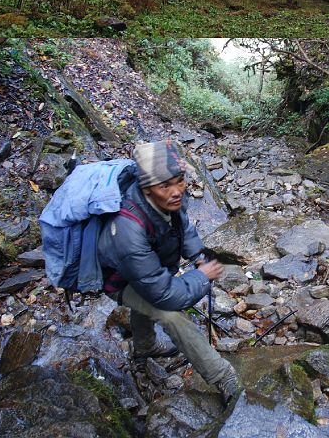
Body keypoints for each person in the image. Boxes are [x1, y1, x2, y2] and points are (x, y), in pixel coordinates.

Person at [96, 139, 241, 406]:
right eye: (165, 186)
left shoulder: (170, 195)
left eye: (180, 181)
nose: (176, 191)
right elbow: (164, 295)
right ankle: (223, 377)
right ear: (147, 189)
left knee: (149, 295)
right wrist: (202, 276)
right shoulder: (128, 228)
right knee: (170, 315)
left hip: (146, 265)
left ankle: (144, 346)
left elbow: (182, 224)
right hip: (117, 278)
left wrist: (197, 256)